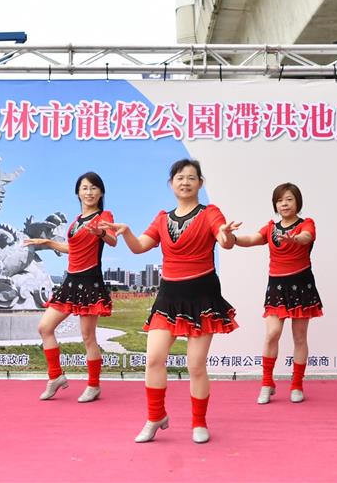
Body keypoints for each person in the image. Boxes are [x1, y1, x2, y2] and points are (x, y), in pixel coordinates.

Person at [98, 159, 239, 444]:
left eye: (191, 177)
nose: (185, 182)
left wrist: (227, 236)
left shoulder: (210, 213)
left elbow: (224, 240)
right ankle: (155, 417)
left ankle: (199, 422)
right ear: (171, 183)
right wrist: (126, 232)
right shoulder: (162, 218)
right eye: (179, 177)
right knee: (153, 359)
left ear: (200, 183)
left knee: (195, 365)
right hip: (168, 296)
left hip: (202, 296)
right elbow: (139, 247)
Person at [24, 172, 117, 402]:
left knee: (88, 337)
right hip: (70, 282)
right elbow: (72, 249)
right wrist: (48, 243)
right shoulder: (77, 222)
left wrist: (101, 232)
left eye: (93, 188)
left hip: (90, 282)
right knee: (45, 327)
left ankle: (93, 385)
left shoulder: (104, 216)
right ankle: (55, 376)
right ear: (78, 193)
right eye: (84, 188)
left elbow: (113, 240)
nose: (89, 192)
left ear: (101, 192)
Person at [233, 182, 322, 404]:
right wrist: (231, 239)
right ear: (275, 204)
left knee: (299, 337)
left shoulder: (306, 224)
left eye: (289, 199)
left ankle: (297, 384)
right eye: (280, 200)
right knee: (272, 333)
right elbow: (252, 239)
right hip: (277, 287)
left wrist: (295, 238)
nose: (284, 204)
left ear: (298, 202)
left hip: (301, 285)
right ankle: (267, 383)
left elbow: (307, 237)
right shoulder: (271, 227)